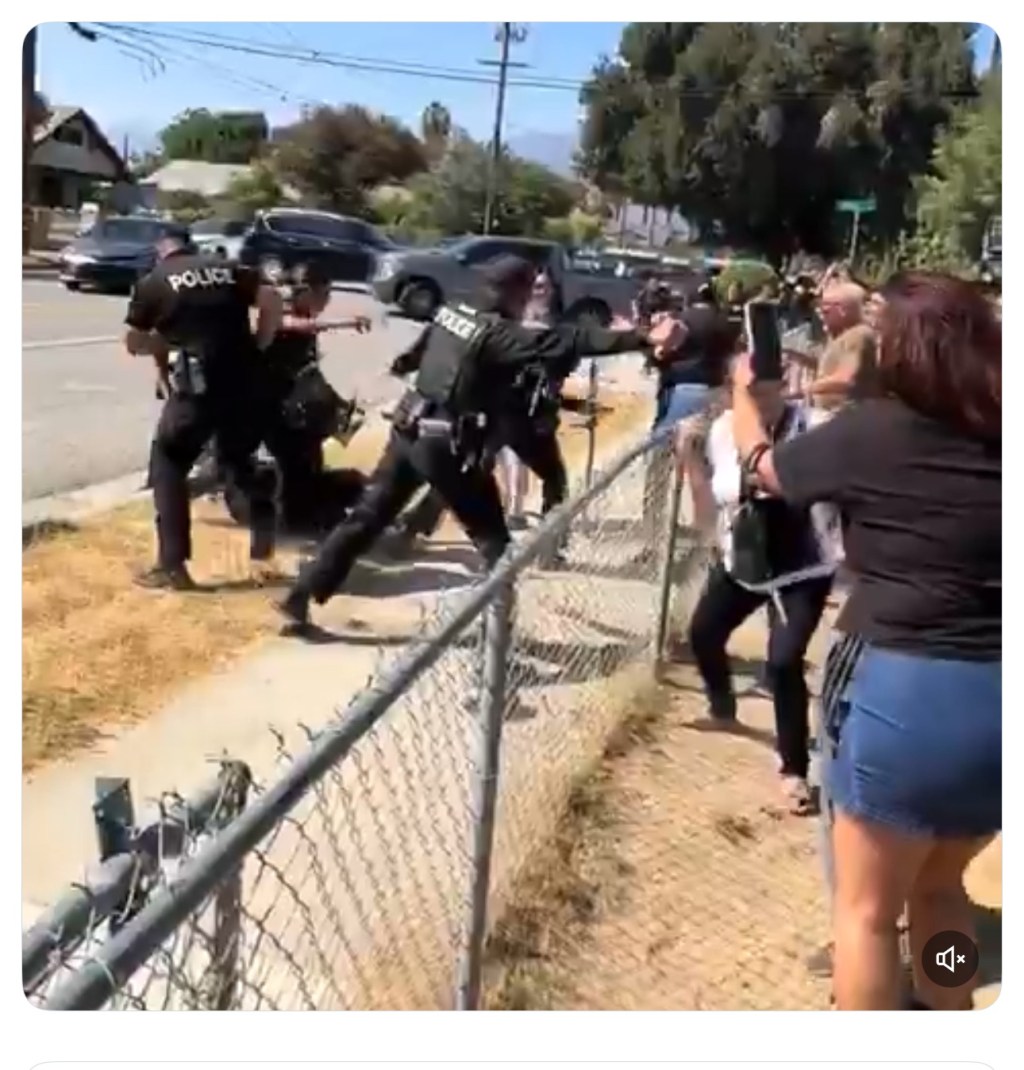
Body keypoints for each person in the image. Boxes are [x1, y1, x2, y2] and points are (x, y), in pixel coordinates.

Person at [730, 272, 1000, 1010]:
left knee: (869, 918)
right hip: (1001, 703)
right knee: (944, 893)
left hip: (904, 695)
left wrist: (743, 406)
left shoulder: (870, 433)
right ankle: (948, 1013)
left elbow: (767, 473)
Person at [277, 256, 655, 630]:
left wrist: (406, 362)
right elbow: (564, 340)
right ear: (515, 292)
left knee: (365, 518)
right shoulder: (496, 332)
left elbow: (416, 344)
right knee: (496, 546)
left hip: (408, 431)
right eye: (526, 292)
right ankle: (498, 642)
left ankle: (301, 594)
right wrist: (639, 336)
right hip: (446, 443)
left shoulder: (451, 313)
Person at [684, 363, 839, 813]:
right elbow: (723, 489)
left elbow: (809, 483)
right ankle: (721, 701)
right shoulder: (724, 428)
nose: (757, 402)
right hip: (746, 560)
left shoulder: (814, 427)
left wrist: (766, 478)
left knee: (784, 661)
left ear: (784, 388)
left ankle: (793, 769)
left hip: (803, 566)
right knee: (703, 634)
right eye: (747, 392)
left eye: (766, 391)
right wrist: (751, 478)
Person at [124, 230, 285, 590]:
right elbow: (272, 300)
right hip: (246, 382)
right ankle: (263, 525)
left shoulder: (153, 283)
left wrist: (167, 342)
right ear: (191, 247)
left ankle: (172, 565)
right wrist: (260, 343)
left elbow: (134, 343)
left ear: (159, 251)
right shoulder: (227, 268)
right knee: (236, 460)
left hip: (199, 388)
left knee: (169, 461)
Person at [251, 261, 371, 532]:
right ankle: (289, 524)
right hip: (272, 404)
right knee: (292, 463)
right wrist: (344, 322)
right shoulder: (280, 311)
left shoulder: (302, 312)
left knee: (309, 461)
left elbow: (307, 368)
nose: (327, 300)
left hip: (293, 404)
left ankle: (308, 513)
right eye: (323, 294)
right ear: (305, 291)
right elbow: (294, 325)